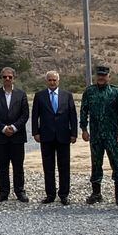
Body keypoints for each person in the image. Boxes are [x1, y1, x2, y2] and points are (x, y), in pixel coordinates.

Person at [31, 70, 78, 206]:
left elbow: (73, 115)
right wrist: (35, 132)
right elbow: (35, 116)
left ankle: (64, 195)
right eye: (50, 80)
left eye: (54, 80)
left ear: (58, 81)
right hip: (46, 136)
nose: (52, 82)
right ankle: (50, 194)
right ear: (46, 81)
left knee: (64, 167)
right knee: (48, 167)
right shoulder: (39, 96)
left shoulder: (67, 95)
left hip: (63, 136)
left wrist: (74, 133)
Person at [79, 65, 118, 205]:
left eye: (104, 75)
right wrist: (84, 129)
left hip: (112, 135)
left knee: (116, 164)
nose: (101, 78)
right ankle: (96, 193)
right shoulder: (89, 92)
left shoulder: (116, 92)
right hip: (96, 135)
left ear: (109, 76)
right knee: (96, 164)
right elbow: (83, 111)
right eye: (99, 75)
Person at [0, 67, 30, 203]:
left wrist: (14, 127)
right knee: (2, 166)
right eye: (4, 77)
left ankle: (20, 191)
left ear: (14, 78)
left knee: (18, 166)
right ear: (1, 78)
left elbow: (25, 114)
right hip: (0, 136)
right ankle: (3, 192)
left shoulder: (21, 94)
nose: (7, 79)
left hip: (17, 136)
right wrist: (3, 128)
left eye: (10, 77)